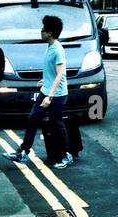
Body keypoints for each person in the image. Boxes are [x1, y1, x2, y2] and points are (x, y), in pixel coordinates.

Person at [8, 14, 72, 169]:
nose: (41, 31)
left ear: (50, 32)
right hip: (47, 90)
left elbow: (60, 75)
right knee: (32, 119)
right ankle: (23, 152)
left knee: (57, 124)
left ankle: (66, 155)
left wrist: (50, 96)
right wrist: (45, 81)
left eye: (43, 29)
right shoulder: (50, 47)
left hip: (56, 95)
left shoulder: (57, 49)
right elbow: (52, 73)